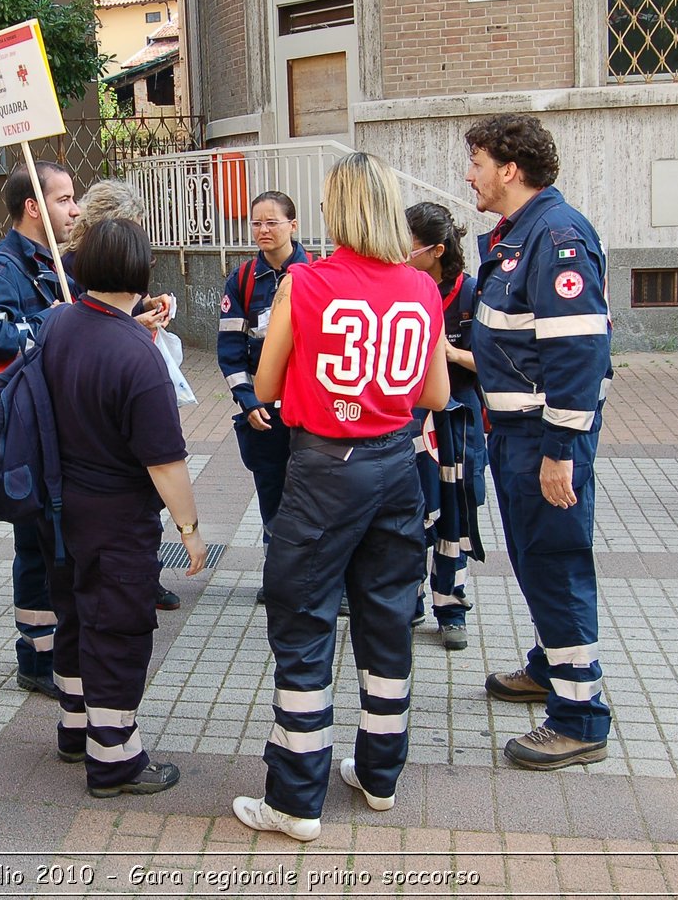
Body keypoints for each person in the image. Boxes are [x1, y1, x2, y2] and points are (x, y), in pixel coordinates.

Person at [232, 152, 450, 842]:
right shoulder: (422, 287)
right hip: (396, 466)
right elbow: (437, 396)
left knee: (303, 625)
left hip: (325, 469)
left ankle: (296, 800)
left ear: (336, 209)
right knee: (387, 620)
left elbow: (264, 387)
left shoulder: (305, 283)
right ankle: (379, 776)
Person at [464, 113, 613, 771]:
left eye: (477, 162)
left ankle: (579, 717)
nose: (470, 174)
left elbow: (579, 351)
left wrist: (559, 451)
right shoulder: (518, 235)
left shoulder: (554, 237)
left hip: (544, 440)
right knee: (534, 559)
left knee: (556, 563)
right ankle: (552, 667)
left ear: (510, 168)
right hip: (518, 434)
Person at [39, 218, 208, 797]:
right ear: (140, 271)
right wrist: (188, 528)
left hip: (59, 508)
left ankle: (74, 727)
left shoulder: (58, 324)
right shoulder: (138, 355)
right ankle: (114, 758)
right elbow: (165, 461)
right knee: (118, 628)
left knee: (74, 615)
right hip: (116, 516)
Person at [0, 161, 80, 699]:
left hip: (59, 424)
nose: (74, 209)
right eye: (64, 199)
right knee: (37, 543)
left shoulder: (56, 260)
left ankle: (52, 648)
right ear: (34, 207)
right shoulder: (0, 269)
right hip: (28, 431)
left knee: (53, 541)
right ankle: (36, 657)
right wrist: (51, 323)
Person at [65, 180, 181, 610]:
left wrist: (153, 308)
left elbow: (126, 307)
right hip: (97, 398)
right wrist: (190, 528)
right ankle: (121, 581)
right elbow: (94, 322)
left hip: (120, 384)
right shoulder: (72, 266)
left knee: (140, 491)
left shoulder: (110, 259)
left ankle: (142, 576)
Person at [217, 191, 312, 607]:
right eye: (256, 223)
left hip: (309, 412)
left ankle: (322, 579)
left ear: (293, 225)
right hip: (264, 413)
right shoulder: (241, 281)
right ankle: (278, 578)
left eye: (272, 222)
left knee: (314, 497)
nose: (263, 230)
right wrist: (248, 400)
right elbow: (230, 349)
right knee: (272, 493)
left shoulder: (316, 275)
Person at [405, 201, 486, 650]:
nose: (401, 252)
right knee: (412, 512)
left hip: (459, 423)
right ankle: (411, 601)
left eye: (409, 246)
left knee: (456, 511)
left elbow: (492, 362)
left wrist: (447, 352)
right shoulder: (402, 287)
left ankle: (451, 607)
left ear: (436, 250)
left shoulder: (472, 293)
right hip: (413, 421)